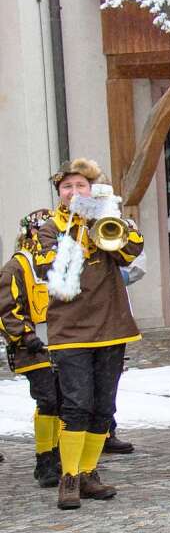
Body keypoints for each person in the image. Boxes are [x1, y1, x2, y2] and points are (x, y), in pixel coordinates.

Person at [36, 158, 144, 509]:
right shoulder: (49, 227)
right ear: (60, 194)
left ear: (91, 189)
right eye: (67, 187)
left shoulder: (106, 217)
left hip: (111, 326)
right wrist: (77, 230)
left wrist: (103, 217)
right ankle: (68, 477)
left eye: (80, 186)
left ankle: (88, 472)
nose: (74, 192)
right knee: (76, 405)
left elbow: (133, 250)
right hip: (71, 330)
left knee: (102, 406)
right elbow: (48, 266)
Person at [0, 208, 61, 487]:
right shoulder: (16, 267)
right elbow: (5, 308)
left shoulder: (55, 261)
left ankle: (59, 453)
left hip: (61, 341)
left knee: (64, 400)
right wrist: (25, 336)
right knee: (47, 399)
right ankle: (44, 457)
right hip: (32, 346)